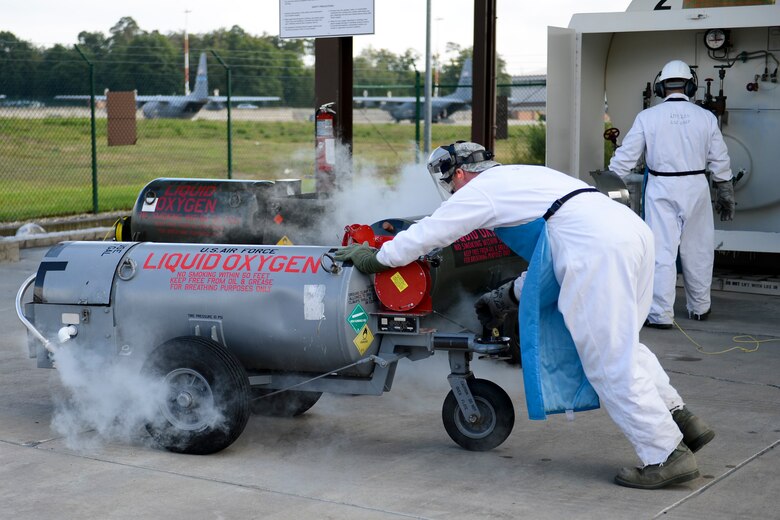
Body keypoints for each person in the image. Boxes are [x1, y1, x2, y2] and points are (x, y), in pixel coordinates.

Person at [335, 141, 715, 489]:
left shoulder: (479, 190)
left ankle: (665, 454)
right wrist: (509, 295)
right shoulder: (523, 177)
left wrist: (379, 257)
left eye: (452, 183)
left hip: (598, 249)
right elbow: (554, 249)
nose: (452, 190)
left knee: (607, 361)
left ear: (462, 174)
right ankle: (681, 420)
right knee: (624, 345)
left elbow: (430, 233)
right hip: (628, 234)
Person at [609, 59, 734, 329]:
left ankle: (661, 315)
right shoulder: (706, 117)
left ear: (660, 87)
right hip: (696, 187)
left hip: (661, 187)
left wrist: (606, 188)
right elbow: (719, 159)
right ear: (691, 86)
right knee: (698, 250)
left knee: (662, 252)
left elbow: (623, 160)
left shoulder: (647, 117)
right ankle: (700, 308)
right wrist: (725, 189)